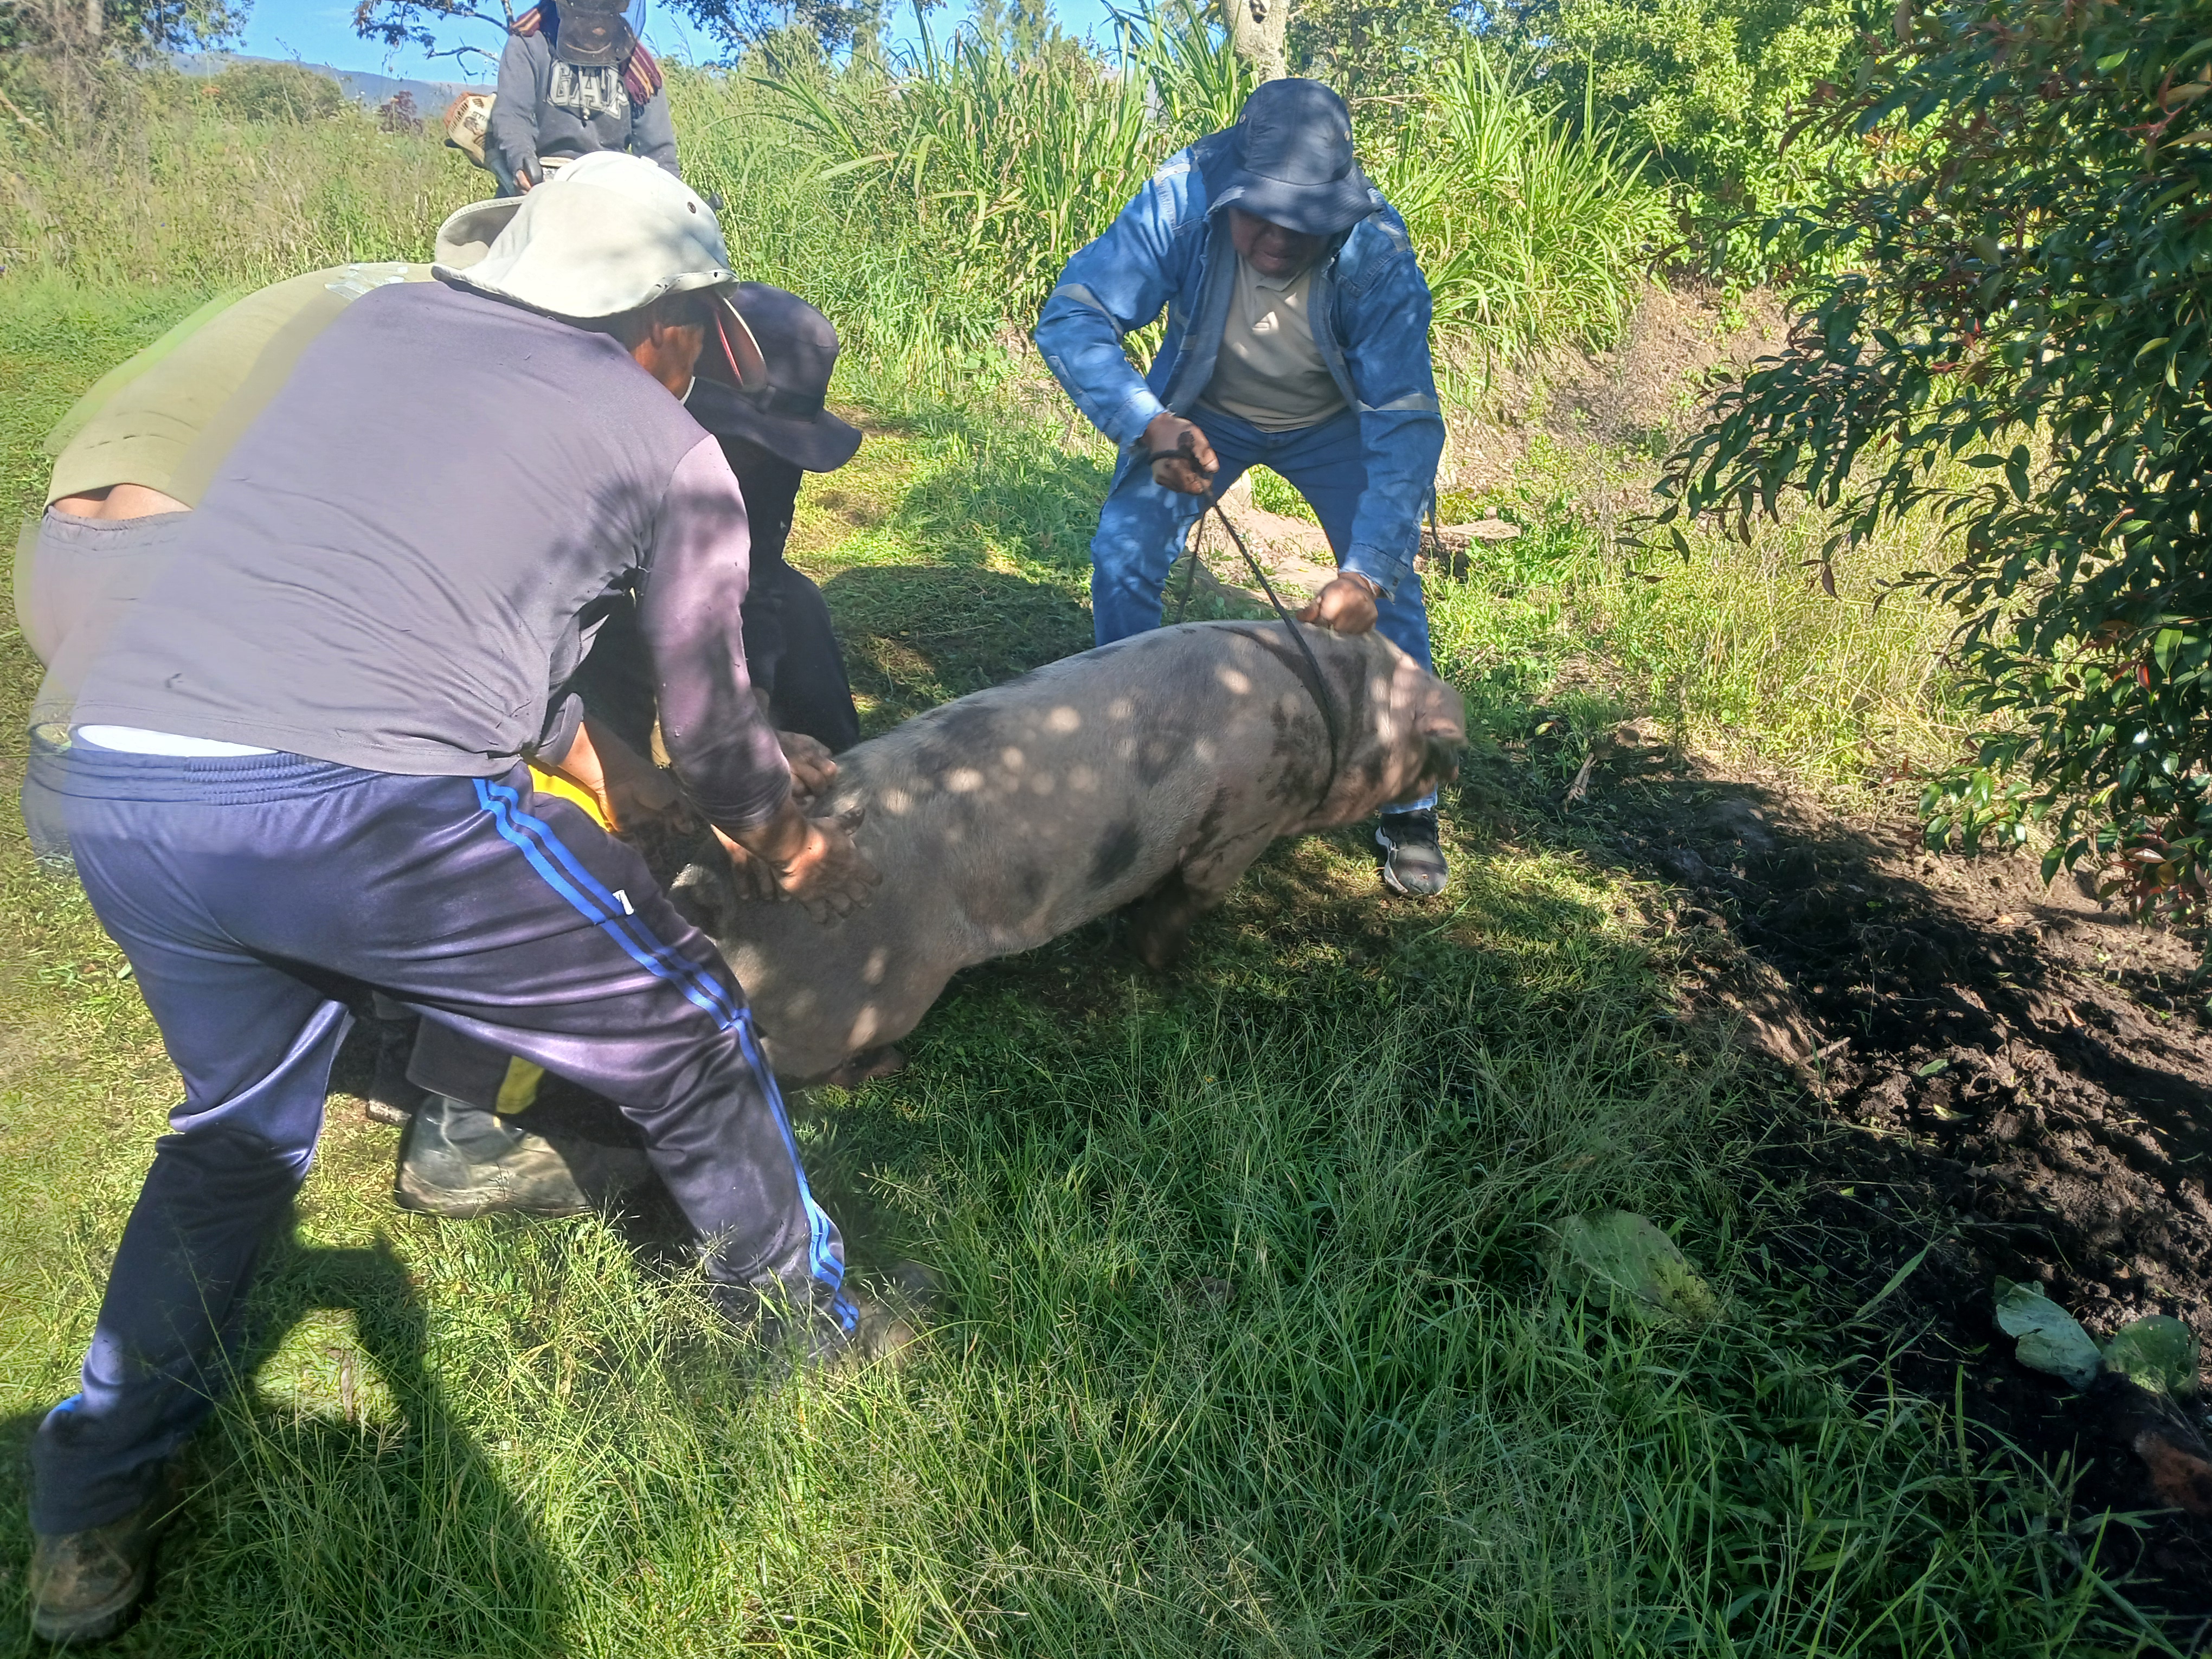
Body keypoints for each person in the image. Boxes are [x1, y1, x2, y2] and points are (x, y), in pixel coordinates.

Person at [24, 154, 892, 1646]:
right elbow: (720, 735)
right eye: (700, 335)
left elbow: (470, 644)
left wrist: (645, 790)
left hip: (126, 779)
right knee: (691, 1028)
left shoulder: (383, 335)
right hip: (366, 808)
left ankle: (86, 1510)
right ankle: (807, 1331)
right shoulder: (667, 446)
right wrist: (778, 832)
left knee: (234, 1140)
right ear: (669, 324)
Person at [396, 283, 873, 1219]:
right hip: (528, 639)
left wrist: (754, 732)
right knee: (566, 808)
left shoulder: (751, 466)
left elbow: (752, 587)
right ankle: (461, 1107)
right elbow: (521, 652)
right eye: (747, 443)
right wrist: (636, 762)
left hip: (639, 602)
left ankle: (826, 931)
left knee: (805, 622)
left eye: (774, 451)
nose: (759, 466)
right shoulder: (565, 443)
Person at [1033, 77, 1452, 897]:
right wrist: (1149, 426)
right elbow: (1076, 313)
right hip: (1204, 412)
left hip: (1333, 426)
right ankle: (1131, 757)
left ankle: (1411, 804)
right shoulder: (1179, 199)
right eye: (1260, 213)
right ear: (1230, 187)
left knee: (1393, 601)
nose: (1281, 236)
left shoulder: (1378, 252)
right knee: (1123, 555)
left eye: (1306, 220)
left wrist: (1366, 574)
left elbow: (1404, 420)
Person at [487, 0, 678, 197]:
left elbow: (659, 154)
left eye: (608, 9)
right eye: (589, 11)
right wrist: (521, 161)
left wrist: (671, 199)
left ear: (623, 7)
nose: (598, 21)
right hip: (542, 178)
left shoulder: (639, 68)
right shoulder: (530, 42)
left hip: (611, 188)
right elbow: (513, 115)